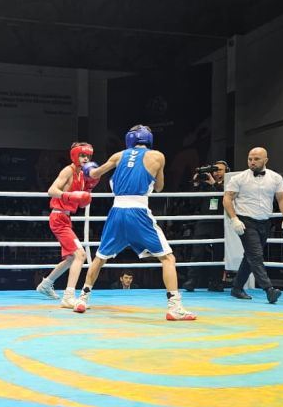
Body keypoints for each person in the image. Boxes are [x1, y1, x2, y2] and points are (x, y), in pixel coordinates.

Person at [75, 125, 195, 320]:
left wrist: (89, 167)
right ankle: (175, 307)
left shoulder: (118, 155)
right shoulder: (157, 156)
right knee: (168, 258)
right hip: (138, 212)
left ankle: (82, 299)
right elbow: (159, 187)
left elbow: (93, 174)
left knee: (100, 257)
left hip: (116, 212)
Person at [223, 147, 283, 304]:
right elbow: (227, 198)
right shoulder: (239, 178)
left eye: (256, 159)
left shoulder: (275, 178)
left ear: (265, 160)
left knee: (250, 256)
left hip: (265, 222)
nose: (252, 162)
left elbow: (282, 198)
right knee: (256, 255)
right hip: (245, 221)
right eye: (250, 159)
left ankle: (237, 288)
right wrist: (234, 219)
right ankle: (269, 290)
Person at [35, 142, 97, 308]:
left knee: (71, 258)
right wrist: (69, 196)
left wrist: (88, 190)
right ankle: (68, 297)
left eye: (88, 156)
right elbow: (51, 190)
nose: (86, 159)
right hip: (58, 217)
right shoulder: (68, 171)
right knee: (80, 255)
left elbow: (82, 202)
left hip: (66, 218)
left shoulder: (82, 175)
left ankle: (46, 284)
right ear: (75, 156)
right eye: (82, 155)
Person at [183, 160, 228, 292]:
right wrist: (196, 184)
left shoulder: (229, 184)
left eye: (220, 170)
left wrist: (215, 184)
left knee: (218, 253)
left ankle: (216, 282)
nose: (216, 172)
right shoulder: (204, 185)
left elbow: (227, 198)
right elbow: (193, 203)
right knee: (197, 252)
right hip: (204, 222)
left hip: (220, 223)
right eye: (215, 170)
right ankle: (191, 281)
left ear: (226, 172)